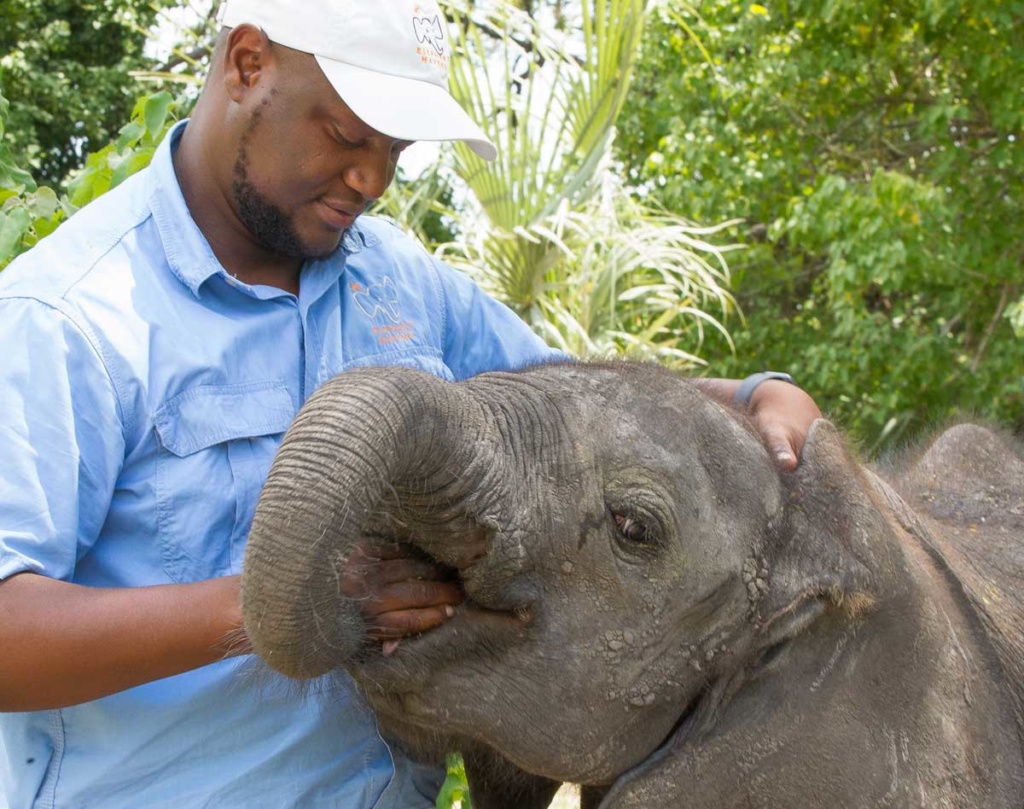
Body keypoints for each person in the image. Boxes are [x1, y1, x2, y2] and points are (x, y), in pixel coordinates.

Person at [0, 1, 822, 807]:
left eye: (396, 149)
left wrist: (753, 396)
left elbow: (575, 414)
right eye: (347, 135)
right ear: (248, 64)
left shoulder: (393, 276)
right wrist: (288, 599)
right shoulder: (68, 318)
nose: (373, 179)